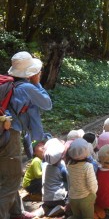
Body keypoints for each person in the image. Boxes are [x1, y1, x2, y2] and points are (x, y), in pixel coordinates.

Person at [0, 51, 52, 219]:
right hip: (10, 136)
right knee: (12, 178)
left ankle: (16, 212)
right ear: (30, 73)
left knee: (8, 175)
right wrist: (37, 83)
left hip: (4, 132)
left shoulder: (9, 84)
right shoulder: (28, 87)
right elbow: (46, 103)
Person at [67, 138, 98, 219]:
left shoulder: (69, 165)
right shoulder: (88, 166)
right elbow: (92, 185)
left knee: (77, 216)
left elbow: (69, 181)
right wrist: (94, 194)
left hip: (72, 198)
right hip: (85, 198)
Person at [36, 138, 68, 218]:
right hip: (59, 198)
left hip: (46, 198)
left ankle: (45, 209)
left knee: (47, 204)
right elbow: (67, 179)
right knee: (67, 187)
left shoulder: (43, 164)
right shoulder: (61, 166)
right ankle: (59, 208)